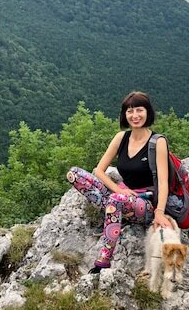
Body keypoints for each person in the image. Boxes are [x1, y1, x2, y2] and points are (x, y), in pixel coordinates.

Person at [67, 91, 171, 273]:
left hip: (146, 204)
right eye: (130, 111)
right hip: (122, 195)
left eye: (139, 110)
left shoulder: (157, 142)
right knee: (74, 174)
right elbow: (99, 170)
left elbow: (163, 182)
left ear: (148, 112)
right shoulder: (121, 138)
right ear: (124, 114)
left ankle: (103, 260)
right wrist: (118, 189)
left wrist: (160, 212)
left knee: (115, 201)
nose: (135, 115)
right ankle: (114, 214)